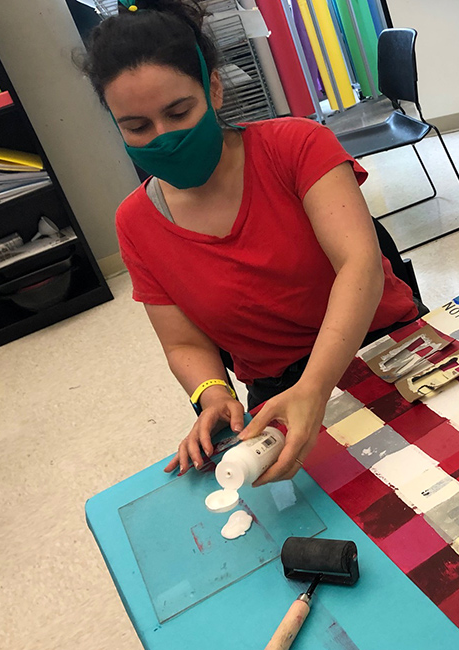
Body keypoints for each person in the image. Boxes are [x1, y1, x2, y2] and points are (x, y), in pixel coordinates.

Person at [80, 0, 421, 486]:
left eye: (179, 112)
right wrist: (214, 394)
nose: (164, 138)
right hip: (278, 390)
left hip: (382, 345)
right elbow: (181, 341)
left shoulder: (297, 146)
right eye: (137, 127)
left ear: (214, 88)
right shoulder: (136, 222)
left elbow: (360, 265)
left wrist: (317, 386)